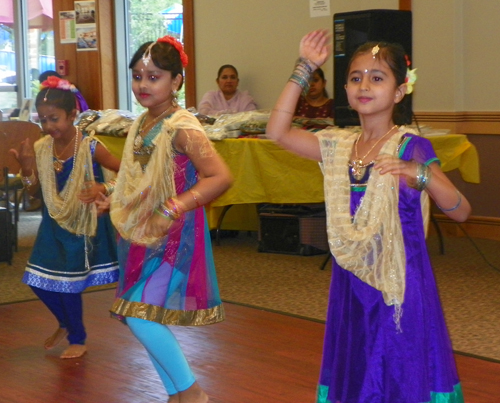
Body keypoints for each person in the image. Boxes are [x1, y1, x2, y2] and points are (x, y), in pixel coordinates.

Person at [266, 30, 471, 403]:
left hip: (400, 285)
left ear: (398, 91)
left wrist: (418, 174)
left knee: (398, 368)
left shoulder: (411, 146)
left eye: (377, 78)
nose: (364, 85)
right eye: (356, 77)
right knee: (360, 367)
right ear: (345, 89)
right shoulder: (339, 147)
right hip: (351, 283)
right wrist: (305, 67)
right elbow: (276, 131)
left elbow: (461, 211)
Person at [104, 36, 232, 403]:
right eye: (137, 76)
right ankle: (177, 395)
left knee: (140, 315)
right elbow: (138, 177)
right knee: (140, 315)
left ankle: (192, 393)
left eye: (154, 77)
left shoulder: (182, 127)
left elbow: (220, 177)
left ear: (176, 81)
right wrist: (110, 193)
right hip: (142, 236)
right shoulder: (143, 122)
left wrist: (170, 208)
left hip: (175, 239)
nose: (143, 85)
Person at [9, 77, 121, 359]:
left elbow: (128, 174)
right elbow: (35, 193)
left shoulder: (91, 147)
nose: (48, 126)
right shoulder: (41, 148)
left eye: (54, 119)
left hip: (82, 226)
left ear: (73, 115)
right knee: (36, 280)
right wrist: (26, 168)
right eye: (43, 120)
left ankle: (78, 338)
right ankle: (65, 322)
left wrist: (102, 187)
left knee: (68, 284)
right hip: (52, 223)